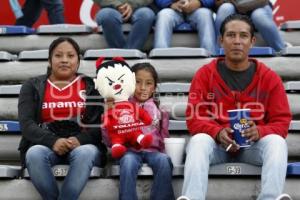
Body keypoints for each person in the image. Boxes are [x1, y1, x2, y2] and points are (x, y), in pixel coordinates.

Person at [180, 14, 292, 200]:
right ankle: (192, 197)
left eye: (243, 36)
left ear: (252, 41)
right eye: (231, 35)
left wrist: (260, 131)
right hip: (217, 147)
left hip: (252, 148)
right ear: (221, 40)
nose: (237, 41)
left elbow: (282, 121)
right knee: (199, 141)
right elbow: (195, 118)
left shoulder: (269, 77)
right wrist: (216, 132)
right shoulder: (205, 75)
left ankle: (270, 198)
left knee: (277, 142)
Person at [18, 37, 106, 200]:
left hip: (83, 145)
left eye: (70, 56)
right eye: (58, 55)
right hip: (45, 144)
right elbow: (26, 124)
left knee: (85, 153)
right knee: (34, 154)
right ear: (50, 60)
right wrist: (53, 141)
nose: (64, 60)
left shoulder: (91, 86)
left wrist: (80, 139)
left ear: (78, 61)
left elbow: (100, 124)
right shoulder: (32, 85)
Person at [103, 62, 175, 200]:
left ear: (154, 87)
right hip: (129, 151)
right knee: (129, 161)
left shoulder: (160, 111)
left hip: (153, 152)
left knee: (164, 160)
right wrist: (107, 114)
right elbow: (108, 139)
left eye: (148, 83)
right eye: (137, 82)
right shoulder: (120, 107)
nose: (143, 88)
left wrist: (164, 152)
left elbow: (163, 137)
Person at [215, 1, 285, 52]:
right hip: (235, 6)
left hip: (259, 5)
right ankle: (220, 52)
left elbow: (263, 1)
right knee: (225, 8)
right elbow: (217, 2)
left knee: (258, 16)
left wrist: (243, 6)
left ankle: (281, 50)